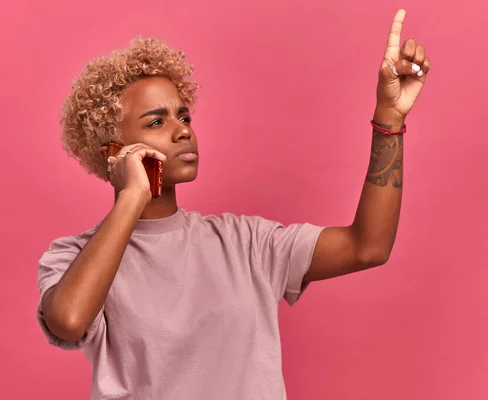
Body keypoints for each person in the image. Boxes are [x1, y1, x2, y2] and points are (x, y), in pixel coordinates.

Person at [36, 9, 430, 400]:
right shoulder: (74, 257)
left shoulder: (246, 243)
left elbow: (368, 247)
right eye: (157, 122)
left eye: (183, 115)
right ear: (112, 152)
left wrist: (389, 118)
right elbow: (69, 321)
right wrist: (133, 194)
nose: (183, 130)